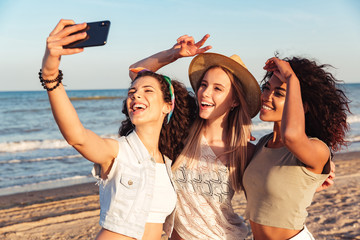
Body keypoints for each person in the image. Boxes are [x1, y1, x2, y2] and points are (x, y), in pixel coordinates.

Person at [40, 19, 197, 240]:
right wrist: (50, 75)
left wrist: (174, 54)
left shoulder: (169, 161)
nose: (135, 94)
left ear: (167, 106)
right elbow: (78, 138)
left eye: (147, 91)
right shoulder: (117, 152)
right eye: (132, 91)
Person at [129, 35, 261, 240]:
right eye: (203, 85)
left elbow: (278, 175)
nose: (205, 93)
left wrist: (324, 166)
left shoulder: (245, 151)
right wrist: (173, 54)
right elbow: (137, 73)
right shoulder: (182, 129)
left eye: (217, 88)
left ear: (234, 100)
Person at [243, 56, 350, 240]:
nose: (266, 97)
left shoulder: (318, 149)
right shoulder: (263, 144)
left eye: (279, 93)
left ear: (303, 106)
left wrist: (292, 77)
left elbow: (291, 136)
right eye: (266, 89)